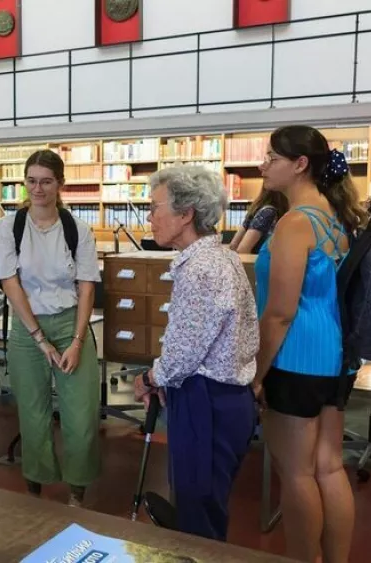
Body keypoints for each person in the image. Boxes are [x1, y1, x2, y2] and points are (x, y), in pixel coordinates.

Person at [251, 125, 366, 563]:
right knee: (329, 467)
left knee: (296, 474)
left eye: (271, 158)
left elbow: (280, 312)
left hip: (296, 359)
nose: (263, 165)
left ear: (300, 165)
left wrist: (255, 373)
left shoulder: (295, 223)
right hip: (337, 358)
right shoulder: (337, 217)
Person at [131, 165, 259, 542]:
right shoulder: (224, 257)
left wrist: (150, 378)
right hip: (225, 398)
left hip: (207, 401)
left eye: (155, 208)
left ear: (185, 214)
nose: (150, 217)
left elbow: (184, 353)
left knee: (197, 514)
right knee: (205, 505)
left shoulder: (200, 268)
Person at [0, 149, 101, 508]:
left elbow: (87, 286)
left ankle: (78, 492)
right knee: (33, 414)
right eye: (31, 181)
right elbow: (11, 284)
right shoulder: (9, 228)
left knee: (81, 415)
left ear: (60, 185)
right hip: (27, 328)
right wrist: (39, 339)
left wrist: (76, 340)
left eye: (46, 181)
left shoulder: (77, 230)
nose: (38, 189)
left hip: (72, 323)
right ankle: (35, 490)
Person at [229, 187, 288, 254]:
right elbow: (243, 249)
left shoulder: (257, 209)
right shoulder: (268, 212)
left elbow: (233, 245)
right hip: (257, 262)